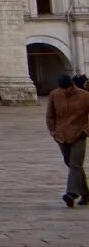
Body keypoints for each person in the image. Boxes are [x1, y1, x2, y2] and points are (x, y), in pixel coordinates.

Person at [45, 72, 89, 207]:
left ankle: (71, 193)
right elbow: (50, 115)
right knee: (71, 164)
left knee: (75, 164)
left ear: (71, 85)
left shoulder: (84, 96)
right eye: (62, 89)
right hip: (62, 136)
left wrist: (85, 130)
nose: (65, 91)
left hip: (78, 134)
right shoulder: (54, 95)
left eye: (67, 88)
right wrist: (53, 131)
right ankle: (86, 194)